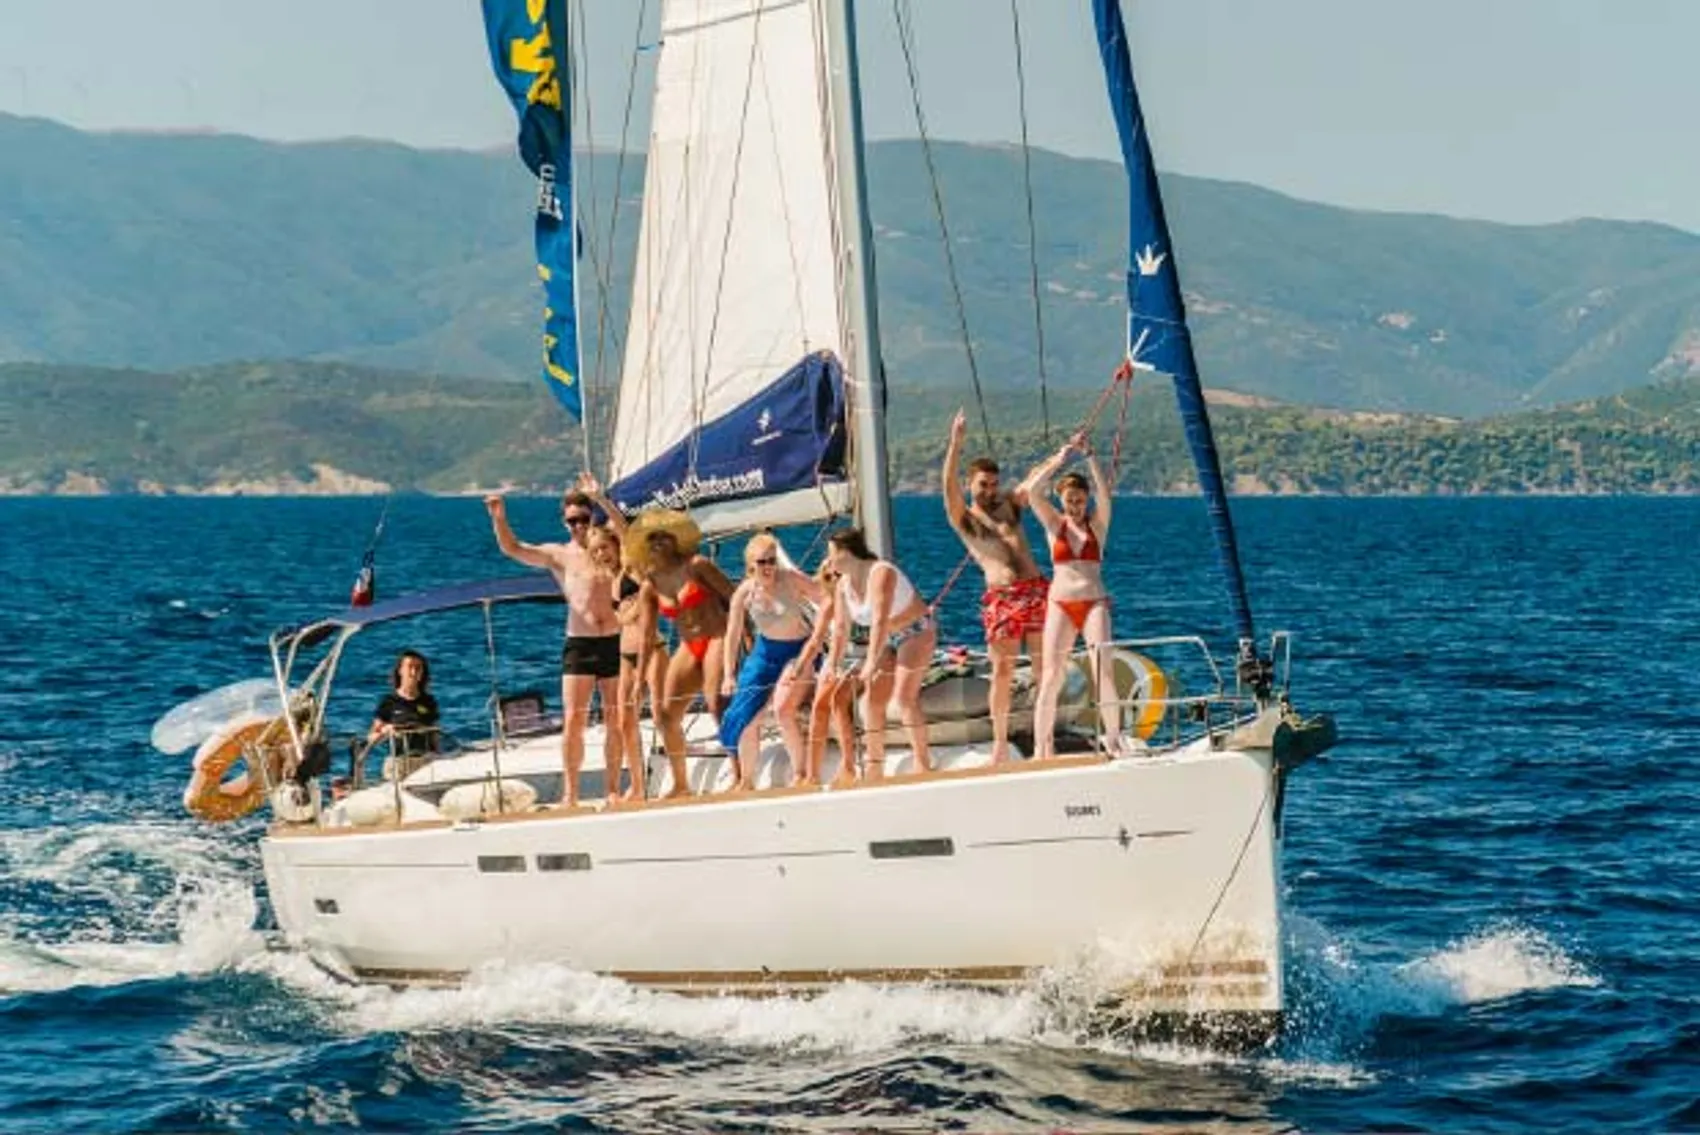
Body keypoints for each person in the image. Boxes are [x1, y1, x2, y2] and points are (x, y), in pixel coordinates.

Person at [485, 473, 628, 809]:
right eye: (572, 521)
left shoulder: (608, 547)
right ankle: (571, 794)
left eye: (583, 519)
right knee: (574, 720)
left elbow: (628, 535)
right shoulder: (559, 555)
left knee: (616, 719)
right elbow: (513, 548)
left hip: (613, 640)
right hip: (580, 643)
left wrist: (602, 498)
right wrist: (499, 518)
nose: (578, 527)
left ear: (592, 517)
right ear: (564, 523)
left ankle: (612, 789)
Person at [942, 408, 1049, 762]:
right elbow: (948, 490)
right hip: (1003, 598)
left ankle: (1043, 741)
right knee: (1002, 672)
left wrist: (1065, 453)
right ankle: (1000, 743)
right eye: (982, 485)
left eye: (993, 483)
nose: (989, 490)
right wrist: (955, 445)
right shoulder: (967, 520)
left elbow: (1034, 480)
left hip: (1035, 591)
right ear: (971, 485)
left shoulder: (1010, 507)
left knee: (1042, 668)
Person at [1020, 432, 1120, 758]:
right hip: (1060, 604)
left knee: (1103, 668)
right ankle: (1042, 746)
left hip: (1094, 603)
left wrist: (1090, 456)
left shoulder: (1098, 524)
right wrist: (1060, 460)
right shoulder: (1053, 523)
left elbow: (1106, 496)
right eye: (1070, 501)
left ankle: (1114, 740)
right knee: (1050, 676)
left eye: (1080, 500)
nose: (1075, 506)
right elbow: (1032, 492)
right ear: (1062, 500)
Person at [625, 510, 735, 798]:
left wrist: (743, 635)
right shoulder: (650, 585)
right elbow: (647, 635)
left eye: (663, 536)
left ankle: (739, 772)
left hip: (717, 636)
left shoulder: (697, 566)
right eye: (652, 538)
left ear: (675, 540)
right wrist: (638, 681)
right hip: (689, 645)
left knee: (715, 701)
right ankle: (681, 784)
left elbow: (734, 597)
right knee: (664, 714)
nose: (658, 542)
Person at [821, 528, 935, 780]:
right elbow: (840, 629)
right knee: (871, 701)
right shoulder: (842, 585)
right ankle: (875, 765)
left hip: (915, 632)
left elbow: (880, 620)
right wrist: (832, 663)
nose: (828, 562)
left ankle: (922, 763)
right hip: (887, 640)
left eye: (831, 555)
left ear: (846, 552)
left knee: (904, 697)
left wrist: (871, 662)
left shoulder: (880, 572)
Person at [718, 534, 824, 790]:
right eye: (762, 562)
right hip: (765, 653)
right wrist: (728, 674)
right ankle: (746, 780)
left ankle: (800, 773)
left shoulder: (792, 579)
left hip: (798, 650)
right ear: (750, 565)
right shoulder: (744, 592)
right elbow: (732, 635)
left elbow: (826, 600)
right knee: (745, 717)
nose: (768, 567)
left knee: (783, 708)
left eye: (772, 561)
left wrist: (821, 636)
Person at [792, 561, 856, 788]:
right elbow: (816, 640)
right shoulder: (828, 605)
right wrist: (799, 667)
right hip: (835, 660)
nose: (834, 581)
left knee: (838, 699)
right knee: (819, 706)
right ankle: (812, 774)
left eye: (838, 575)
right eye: (829, 577)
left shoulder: (858, 598)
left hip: (860, 655)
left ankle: (849, 765)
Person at [613, 560, 661, 804]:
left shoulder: (637, 565)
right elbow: (619, 617)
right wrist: (626, 614)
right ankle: (638, 785)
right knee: (625, 721)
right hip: (626, 654)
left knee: (661, 714)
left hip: (652, 649)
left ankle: (680, 780)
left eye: (605, 547)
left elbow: (649, 602)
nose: (601, 554)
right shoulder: (613, 575)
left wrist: (629, 612)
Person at [366, 649, 440, 779]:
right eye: (410, 667)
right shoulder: (388, 702)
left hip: (425, 762)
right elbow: (371, 737)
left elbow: (435, 736)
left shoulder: (429, 702)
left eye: (418, 668)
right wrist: (385, 730)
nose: (413, 672)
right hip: (399, 763)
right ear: (400, 670)